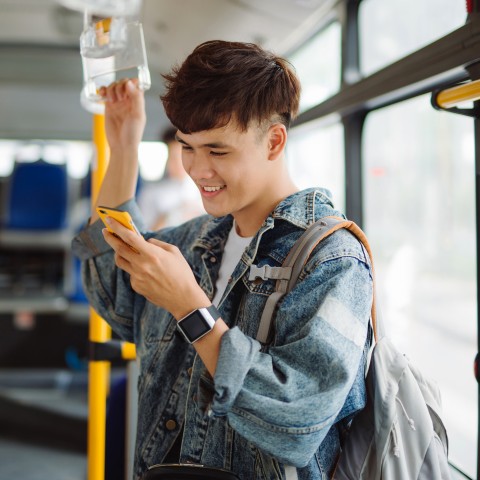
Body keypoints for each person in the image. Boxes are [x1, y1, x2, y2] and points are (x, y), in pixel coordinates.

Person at [72, 40, 373, 480]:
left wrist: (191, 310)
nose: (198, 169)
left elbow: (296, 424)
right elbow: (112, 289)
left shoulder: (333, 260)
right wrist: (124, 146)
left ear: (273, 141)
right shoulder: (196, 240)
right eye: (186, 147)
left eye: (217, 150)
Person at [137, 126, 204, 230]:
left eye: (179, 157)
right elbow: (144, 234)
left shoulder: (205, 190)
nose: (175, 163)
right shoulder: (151, 192)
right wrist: (169, 216)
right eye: (172, 157)